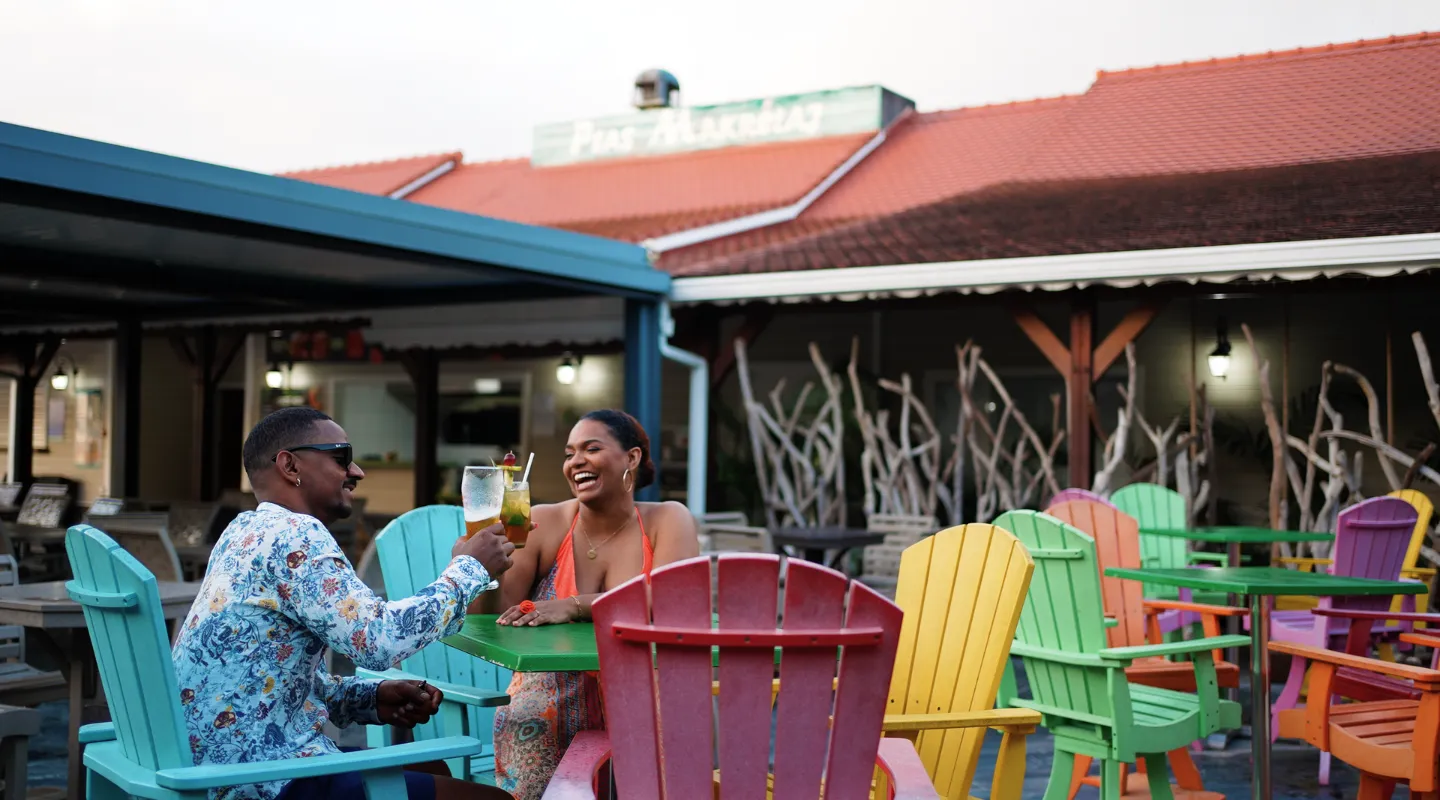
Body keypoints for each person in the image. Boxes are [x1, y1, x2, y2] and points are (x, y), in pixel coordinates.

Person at [171, 407, 517, 800]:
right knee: (495, 799)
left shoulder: (243, 530)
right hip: (267, 779)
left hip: (215, 771)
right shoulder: (295, 535)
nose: (357, 472)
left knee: (428, 767)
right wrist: (469, 569)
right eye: (341, 458)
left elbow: (257, 680)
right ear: (289, 465)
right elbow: (379, 641)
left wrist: (366, 698)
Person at [485, 409, 699, 800]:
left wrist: (575, 605)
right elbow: (498, 612)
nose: (575, 461)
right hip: (546, 705)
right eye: (569, 453)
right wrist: (479, 562)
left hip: (645, 706)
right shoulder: (544, 522)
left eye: (591, 448)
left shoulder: (668, 519)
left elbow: (669, 601)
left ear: (631, 459)